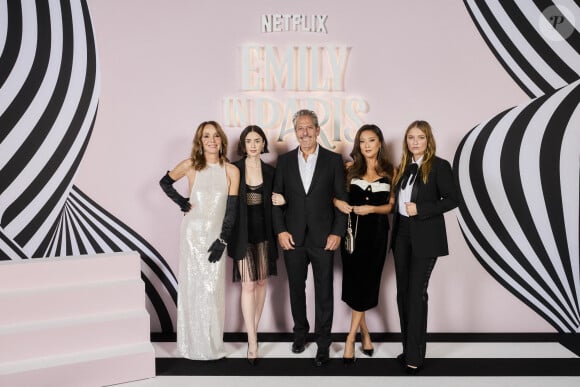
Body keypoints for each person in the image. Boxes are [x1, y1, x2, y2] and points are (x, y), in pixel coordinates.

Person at [272, 109, 348, 367]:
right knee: (296, 289)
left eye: (308, 128)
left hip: (324, 238)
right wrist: (281, 231)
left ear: (317, 130)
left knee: (324, 292)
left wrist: (337, 232)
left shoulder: (333, 160)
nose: (304, 133)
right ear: (295, 132)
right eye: (299, 128)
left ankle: (323, 342)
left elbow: (341, 201)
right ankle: (300, 334)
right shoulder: (283, 162)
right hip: (292, 238)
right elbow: (276, 202)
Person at [159, 121, 240, 360]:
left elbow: (232, 210)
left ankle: (212, 344)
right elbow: (165, 183)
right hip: (192, 234)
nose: (212, 140)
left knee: (212, 289)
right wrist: (181, 202)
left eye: (216, 136)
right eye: (206, 136)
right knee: (193, 287)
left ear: (222, 140)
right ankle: (191, 344)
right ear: (200, 141)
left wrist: (223, 240)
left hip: (216, 236)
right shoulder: (191, 166)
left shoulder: (231, 170)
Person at [391, 120, 458, 374]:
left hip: (426, 237)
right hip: (401, 236)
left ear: (428, 140)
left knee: (416, 294)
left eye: (420, 137)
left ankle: (415, 356)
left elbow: (453, 199)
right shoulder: (403, 167)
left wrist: (422, 209)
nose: (415, 142)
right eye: (410, 137)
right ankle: (409, 348)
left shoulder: (439, 166)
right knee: (403, 293)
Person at [333, 124, 396, 365]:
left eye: (371, 140)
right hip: (353, 236)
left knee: (368, 284)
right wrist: (338, 202)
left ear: (380, 142)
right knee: (355, 285)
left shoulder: (391, 170)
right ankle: (364, 334)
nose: (366, 145)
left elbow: (391, 206)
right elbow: (331, 194)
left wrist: (372, 209)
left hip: (378, 236)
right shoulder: (349, 169)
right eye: (362, 141)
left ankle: (351, 338)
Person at [228, 125, 285, 365]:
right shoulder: (233, 169)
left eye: (257, 140)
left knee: (262, 282)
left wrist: (283, 200)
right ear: (243, 144)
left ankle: (254, 331)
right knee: (248, 285)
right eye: (249, 140)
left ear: (263, 144)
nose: (253, 144)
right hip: (242, 234)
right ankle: (252, 340)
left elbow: (280, 200)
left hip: (265, 234)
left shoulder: (272, 172)